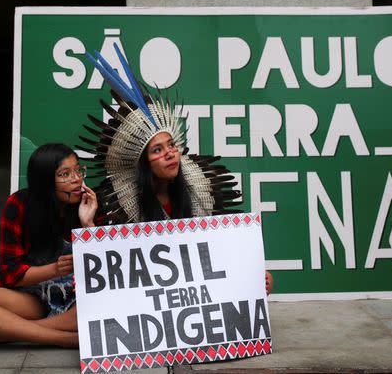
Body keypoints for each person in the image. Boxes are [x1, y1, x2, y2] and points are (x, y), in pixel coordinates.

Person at [82, 49, 274, 294]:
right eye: (157, 150)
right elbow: (108, 267)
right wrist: (88, 222)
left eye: (171, 145)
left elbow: (222, 248)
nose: (170, 153)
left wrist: (256, 272)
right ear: (144, 164)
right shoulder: (123, 207)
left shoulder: (199, 191)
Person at [0, 143, 98, 346]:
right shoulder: (19, 204)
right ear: (45, 181)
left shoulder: (91, 204)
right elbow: (10, 274)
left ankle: (6, 330)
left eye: (78, 170)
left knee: (102, 305)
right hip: (32, 297)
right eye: (65, 174)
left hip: (76, 299)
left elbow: (105, 272)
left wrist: (88, 224)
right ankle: (65, 339)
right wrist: (55, 269)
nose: (76, 179)